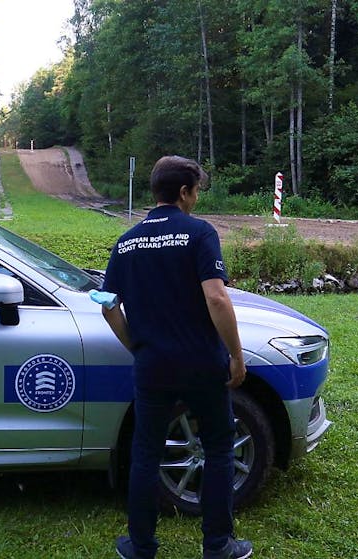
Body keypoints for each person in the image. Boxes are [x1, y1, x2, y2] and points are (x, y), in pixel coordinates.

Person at [100, 155, 252, 559]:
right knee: (218, 448)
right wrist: (237, 355)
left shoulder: (126, 241)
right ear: (184, 192)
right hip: (202, 363)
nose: (196, 198)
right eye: (196, 191)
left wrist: (137, 347)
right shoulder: (200, 233)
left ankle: (141, 546)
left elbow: (108, 307)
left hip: (153, 366)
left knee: (146, 452)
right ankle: (218, 544)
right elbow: (216, 297)